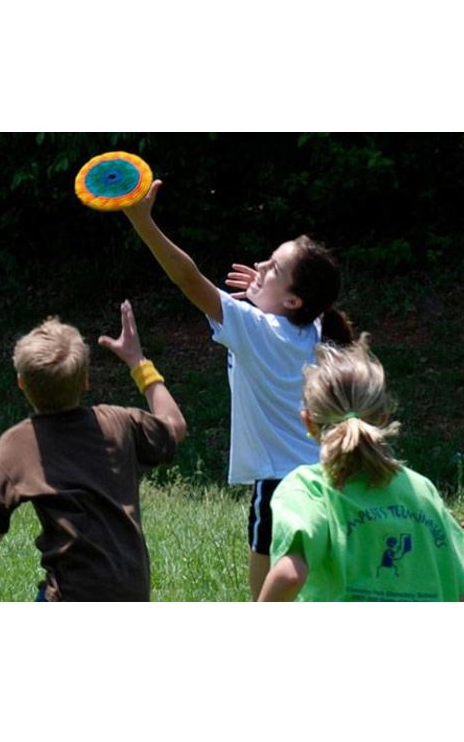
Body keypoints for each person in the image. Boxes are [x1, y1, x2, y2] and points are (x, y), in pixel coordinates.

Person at [122, 180, 354, 599]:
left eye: (273, 269)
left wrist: (143, 221)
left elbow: (186, 278)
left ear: (295, 301)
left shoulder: (258, 330)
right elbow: (303, 307)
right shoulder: (313, 328)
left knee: (264, 602)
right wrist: (269, 291)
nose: (260, 267)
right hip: (327, 478)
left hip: (280, 487)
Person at [0, 301, 187, 601]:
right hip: (131, 590)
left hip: (71, 595)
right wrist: (138, 362)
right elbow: (174, 426)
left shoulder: (19, 444)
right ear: (86, 380)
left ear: (21, 384)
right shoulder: (117, 423)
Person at [258, 335, 464, 601]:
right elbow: (462, 593)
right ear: (383, 419)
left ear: (308, 422)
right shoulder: (422, 490)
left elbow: (289, 575)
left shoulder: (308, 489)